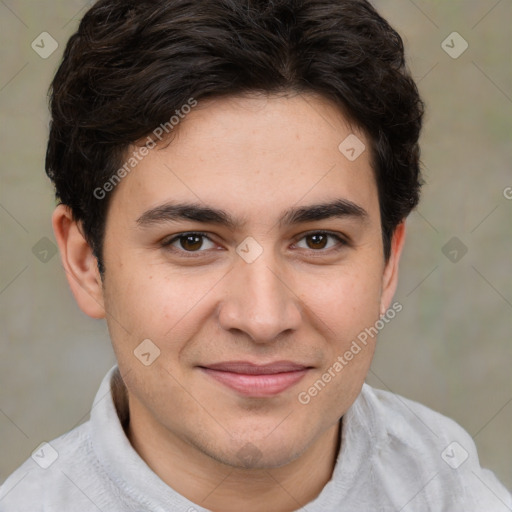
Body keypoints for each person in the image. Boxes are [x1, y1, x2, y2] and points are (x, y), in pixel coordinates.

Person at [0, 0, 510, 510]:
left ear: (387, 263)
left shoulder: (454, 488)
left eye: (318, 240)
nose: (263, 319)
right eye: (191, 241)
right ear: (87, 263)